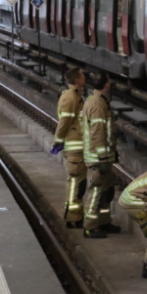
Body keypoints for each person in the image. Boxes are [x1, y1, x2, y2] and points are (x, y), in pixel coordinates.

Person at [81, 71, 119, 238]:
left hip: (103, 156)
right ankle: (90, 226)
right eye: (109, 81)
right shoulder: (97, 104)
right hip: (98, 158)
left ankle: (104, 221)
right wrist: (103, 158)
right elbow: (98, 133)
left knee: (107, 190)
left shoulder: (99, 101)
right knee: (96, 191)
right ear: (105, 84)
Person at [51, 67, 86, 228]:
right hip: (75, 147)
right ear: (76, 80)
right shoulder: (70, 98)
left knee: (78, 182)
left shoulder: (75, 96)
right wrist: (58, 141)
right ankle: (72, 217)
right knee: (75, 183)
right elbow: (64, 123)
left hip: (78, 146)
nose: (85, 78)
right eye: (82, 76)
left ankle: (75, 215)